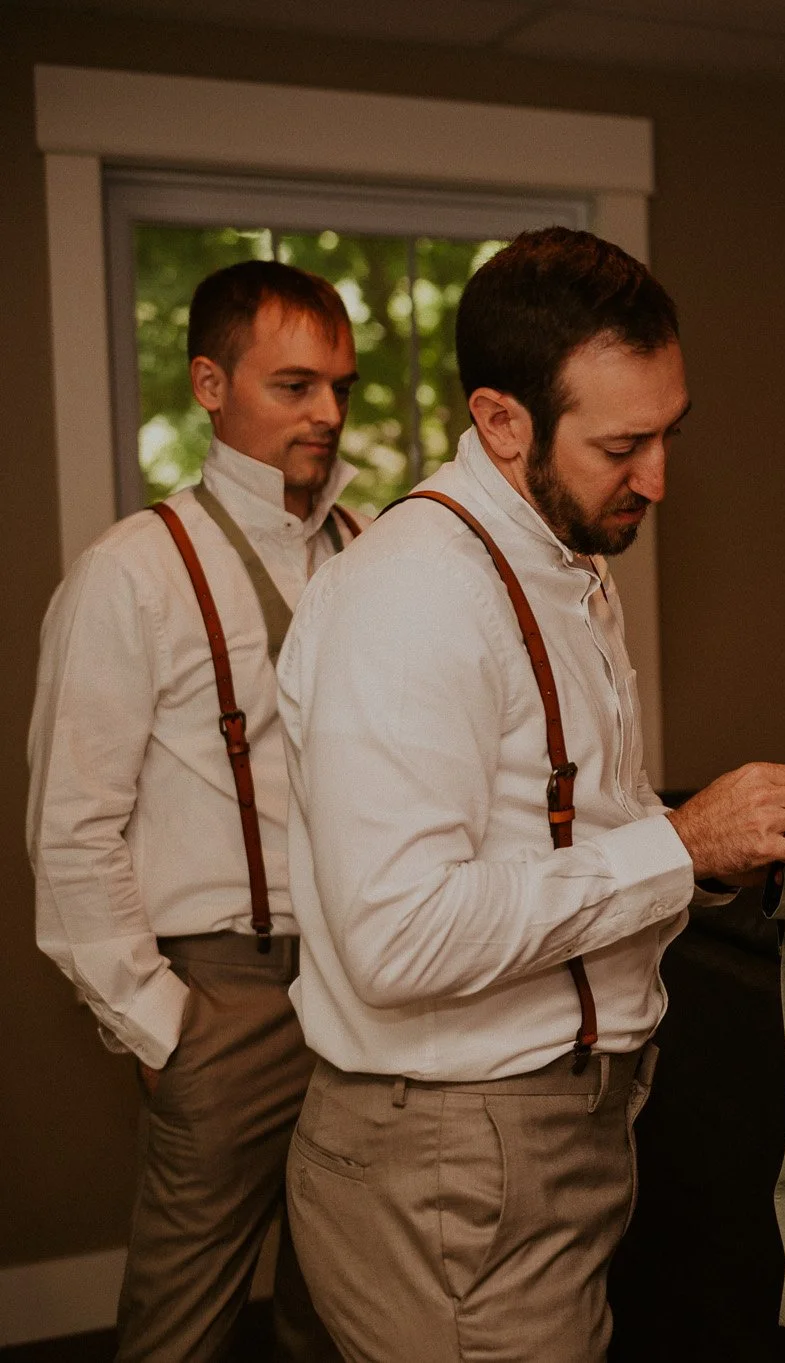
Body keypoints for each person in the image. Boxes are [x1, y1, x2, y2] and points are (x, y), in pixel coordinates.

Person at [277, 227, 785, 1362]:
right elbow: (399, 934)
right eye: (624, 442)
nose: (660, 479)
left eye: (671, 433)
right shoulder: (414, 600)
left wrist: (715, 856)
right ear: (500, 420)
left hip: (563, 1124)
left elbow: (569, 832)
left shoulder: (566, 563)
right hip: (453, 1158)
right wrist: (678, 842)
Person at [29, 259, 361, 1361]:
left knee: (347, 1311)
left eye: (340, 388)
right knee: (181, 1330)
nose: (326, 413)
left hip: (370, 989)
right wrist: (164, 1030)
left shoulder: (372, 554)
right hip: (227, 992)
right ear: (211, 385)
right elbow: (70, 826)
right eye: (294, 385)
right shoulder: (131, 573)